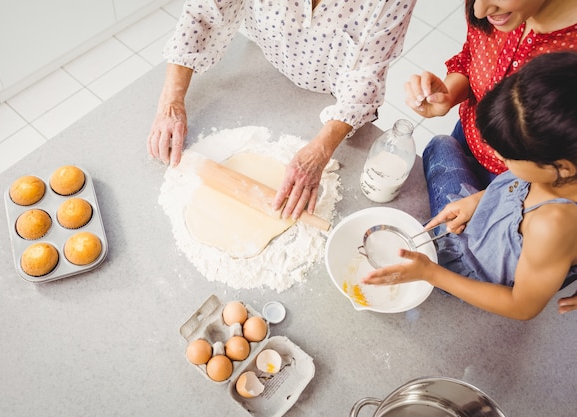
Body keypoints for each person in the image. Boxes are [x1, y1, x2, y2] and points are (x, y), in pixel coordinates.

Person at [147, 0, 416, 220]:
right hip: (266, 59)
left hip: (333, 95)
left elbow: (367, 74)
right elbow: (202, 13)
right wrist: (171, 101)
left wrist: (321, 149)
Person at [362, 52, 577, 320]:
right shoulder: (557, 169)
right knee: (442, 144)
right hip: (484, 222)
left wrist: (430, 273)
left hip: (469, 270)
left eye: (508, 156)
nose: (497, 157)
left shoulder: (553, 226)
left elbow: (521, 307)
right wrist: (475, 202)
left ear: (561, 167)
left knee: (439, 148)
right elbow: (517, 188)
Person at [404, 0, 577, 217]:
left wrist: (489, 198)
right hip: (467, 138)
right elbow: (470, 58)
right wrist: (447, 95)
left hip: (523, 185)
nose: (479, 10)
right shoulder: (489, 8)